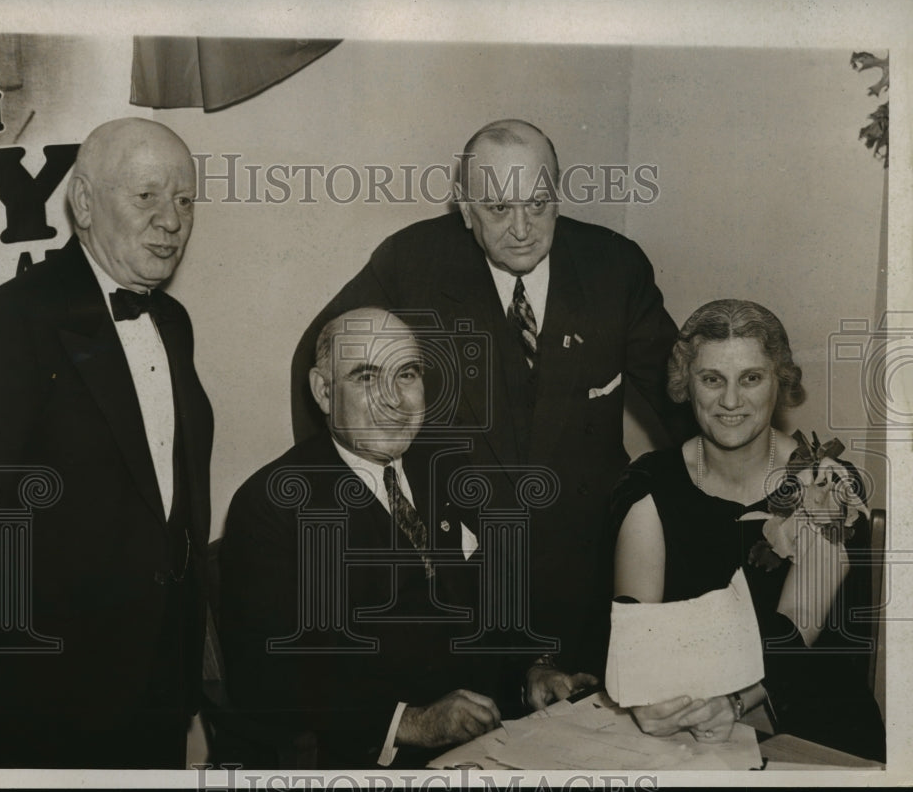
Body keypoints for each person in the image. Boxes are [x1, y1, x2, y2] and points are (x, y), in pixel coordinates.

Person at [290, 119, 691, 688]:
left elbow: (681, 394)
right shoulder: (413, 264)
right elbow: (323, 358)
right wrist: (349, 506)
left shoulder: (612, 267)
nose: (523, 229)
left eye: (538, 203)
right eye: (499, 209)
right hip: (465, 583)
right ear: (465, 209)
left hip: (590, 567)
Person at [0, 118, 214, 768]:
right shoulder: (4, 325)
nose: (171, 221)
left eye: (183, 200)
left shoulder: (172, 320)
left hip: (158, 686)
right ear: (85, 203)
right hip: (51, 696)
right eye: (146, 196)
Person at [220, 307, 558, 769]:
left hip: (493, 737)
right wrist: (410, 723)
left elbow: (496, 593)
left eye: (407, 374)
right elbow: (268, 680)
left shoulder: (446, 466)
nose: (394, 400)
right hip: (367, 757)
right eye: (365, 377)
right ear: (323, 391)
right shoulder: (272, 505)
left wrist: (533, 667)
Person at [611, 299, 885, 761]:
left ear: (780, 382)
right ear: (685, 384)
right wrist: (646, 702)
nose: (731, 401)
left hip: (815, 724)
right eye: (712, 379)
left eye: (751, 379)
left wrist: (733, 704)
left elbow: (793, 630)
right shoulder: (650, 487)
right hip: (690, 728)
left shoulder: (824, 484)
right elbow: (638, 636)